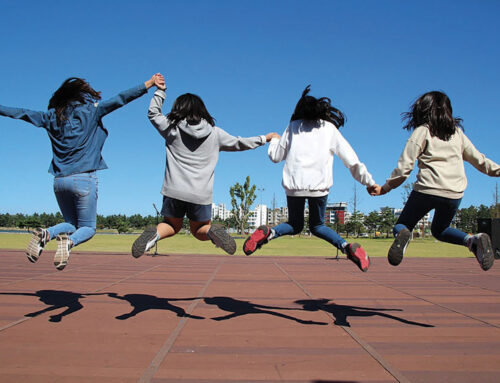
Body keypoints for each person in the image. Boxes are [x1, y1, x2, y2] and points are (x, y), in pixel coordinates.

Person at [0, 74, 162, 270]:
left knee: (71, 223)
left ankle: (46, 234)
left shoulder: (50, 117)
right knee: (88, 228)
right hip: (84, 179)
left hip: (59, 181)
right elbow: (120, 99)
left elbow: (21, 113)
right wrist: (149, 84)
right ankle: (68, 243)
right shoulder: (90, 111)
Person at [132, 74, 279, 257]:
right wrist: (264, 138)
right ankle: (211, 232)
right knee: (199, 230)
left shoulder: (172, 128)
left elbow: (153, 113)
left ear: (178, 109)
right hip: (200, 195)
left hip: (173, 191)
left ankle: (154, 235)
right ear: (202, 111)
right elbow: (240, 143)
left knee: (171, 225)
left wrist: (160, 92)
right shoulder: (215, 134)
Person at [243, 86, 375, 272]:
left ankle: (269, 233)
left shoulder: (293, 127)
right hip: (319, 188)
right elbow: (351, 160)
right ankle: (347, 247)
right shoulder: (329, 129)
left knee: (294, 224)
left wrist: (273, 139)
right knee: (318, 225)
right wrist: (369, 182)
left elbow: (275, 157)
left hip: (294, 186)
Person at [369, 91, 500, 271]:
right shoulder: (457, 134)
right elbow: (480, 161)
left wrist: (385, 188)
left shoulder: (422, 131)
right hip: (454, 193)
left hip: (427, 189)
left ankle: (404, 235)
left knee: (402, 225)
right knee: (440, 230)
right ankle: (472, 240)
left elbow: (404, 167)